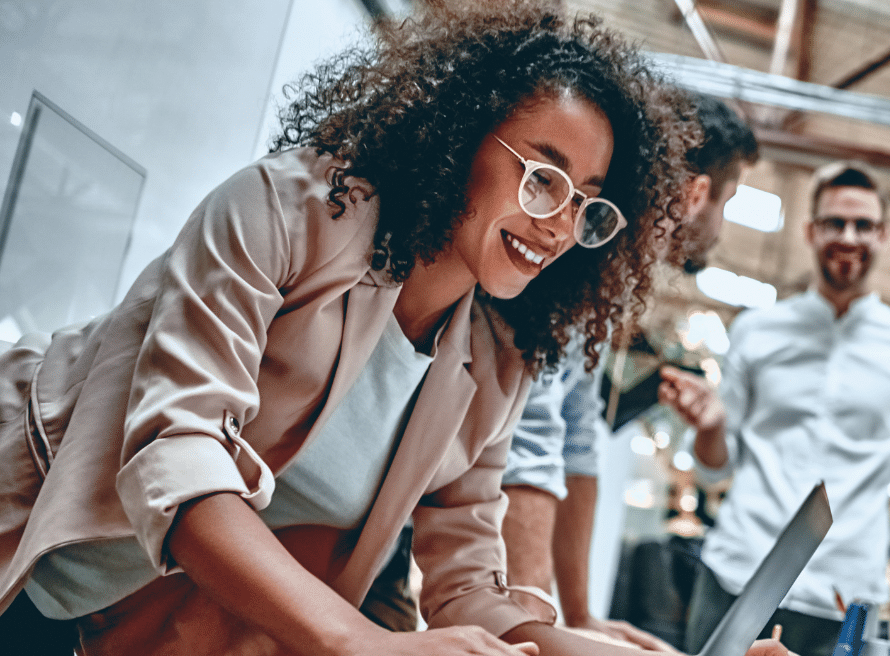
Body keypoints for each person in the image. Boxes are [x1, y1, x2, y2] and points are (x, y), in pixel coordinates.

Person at [0, 4, 791, 656]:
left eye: (586, 204)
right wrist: (356, 641)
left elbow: (468, 590)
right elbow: (176, 455)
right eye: (543, 178)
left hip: (140, 632)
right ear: (460, 136)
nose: (559, 226)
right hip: (31, 568)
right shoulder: (287, 212)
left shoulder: (496, 361)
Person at [660, 161, 890, 656]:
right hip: (739, 573)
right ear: (809, 231)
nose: (849, 236)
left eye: (864, 225)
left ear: (885, 235)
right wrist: (711, 426)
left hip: (850, 596)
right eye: (834, 222)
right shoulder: (756, 332)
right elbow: (713, 464)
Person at [493, 92, 760, 650]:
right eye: (728, 202)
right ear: (697, 193)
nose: (719, 225)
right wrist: (541, 630)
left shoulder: (613, 279)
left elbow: (577, 434)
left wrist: (580, 614)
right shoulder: (581, 250)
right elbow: (534, 435)